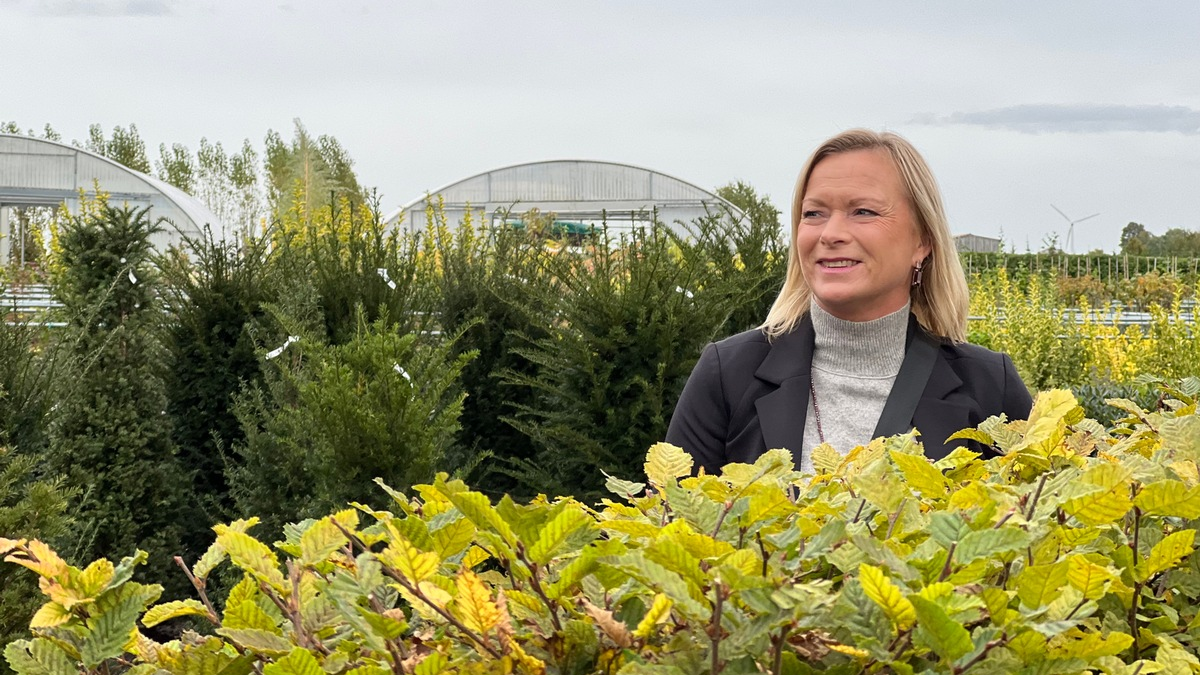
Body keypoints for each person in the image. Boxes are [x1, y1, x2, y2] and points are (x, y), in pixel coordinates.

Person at [666, 129, 1032, 475]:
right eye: (814, 214)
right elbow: (670, 527)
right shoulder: (728, 373)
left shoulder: (988, 387)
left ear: (922, 241)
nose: (831, 234)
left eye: (863, 212)